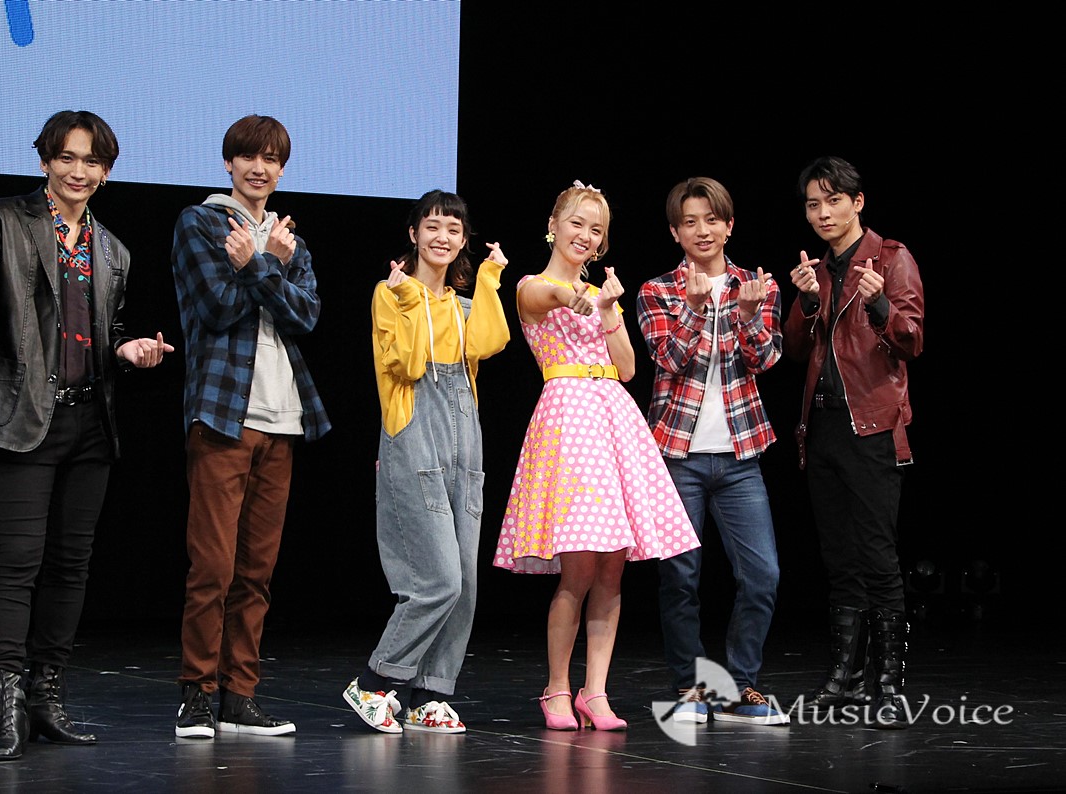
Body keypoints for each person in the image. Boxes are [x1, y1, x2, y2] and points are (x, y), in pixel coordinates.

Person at [0, 110, 174, 762]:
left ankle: (46, 697)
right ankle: (7, 702)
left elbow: (107, 335)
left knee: (71, 566)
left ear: (106, 172)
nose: (79, 171)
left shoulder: (113, 250)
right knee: (17, 563)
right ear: (46, 161)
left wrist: (129, 350)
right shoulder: (6, 222)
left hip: (90, 424)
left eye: (92, 161)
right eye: (67, 158)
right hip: (25, 417)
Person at [494, 181, 700, 732]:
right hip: (569, 420)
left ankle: (596, 691)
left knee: (612, 567)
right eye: (577, 223)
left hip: (613, 418)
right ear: (553, 225)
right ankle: (557, 688)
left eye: (596, 230)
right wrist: (573, 297)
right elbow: (543, 299)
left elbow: (628, 367)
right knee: (579, 566)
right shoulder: (532, 285)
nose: (585, 236)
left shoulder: (600, 291)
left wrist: (608, 309)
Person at [170, 114, 330, 739]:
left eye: (271, 159)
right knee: (212, 565)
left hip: (282, 418)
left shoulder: (289, 240)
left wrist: (262, 265)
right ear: (228, 163)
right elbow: (217, 308)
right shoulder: (200, 223)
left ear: (282, 170)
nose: (259, 168)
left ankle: (240, 695)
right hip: (223, 414)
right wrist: (268, 268)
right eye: (248, 156)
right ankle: (197, 694)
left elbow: (305, 317)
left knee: (257, 571)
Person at [342, 190, 509, 735]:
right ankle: (374, 682)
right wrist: (411, 300)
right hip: (414, 438)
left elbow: (492, 341)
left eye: (454, 229)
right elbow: (410, 365)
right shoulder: (390, 294)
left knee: (465, 583)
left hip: (466, 445)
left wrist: (489, 280)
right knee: (438, 580)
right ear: (413, 234)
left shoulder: (463, 306)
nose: (443, 237)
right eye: (433, 226)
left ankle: (430, 694)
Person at [636, 176, 789, 727]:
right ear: (675, 232)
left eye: (712, 219)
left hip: (741, 456)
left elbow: (767, 360)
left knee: (763, 574)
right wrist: (698, 309)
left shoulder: (758, 286)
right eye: (690, 222)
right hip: (677, 457)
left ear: (729, 225)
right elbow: (668, 359)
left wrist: (746, 315)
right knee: (681, 578)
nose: (702, 230)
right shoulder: (657, 290)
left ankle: (741, 684)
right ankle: (691, 686)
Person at [785, 156, 924, 729]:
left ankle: (887, 684)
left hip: (871, 426)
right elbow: (797, 350)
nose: (823, 213)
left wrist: (879, 304)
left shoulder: (890, 258)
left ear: (857, 201)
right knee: (838, 557)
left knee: (877, 556)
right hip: (822, 429)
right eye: (813, 204)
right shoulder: (815, 270)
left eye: (833, 200)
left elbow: (912, 340)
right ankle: (844, 676)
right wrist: (805, 304)